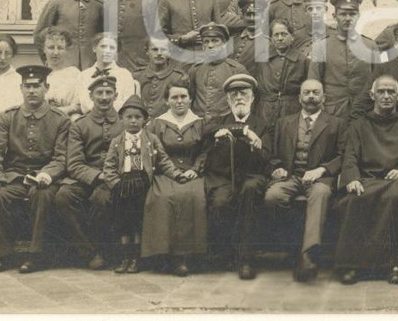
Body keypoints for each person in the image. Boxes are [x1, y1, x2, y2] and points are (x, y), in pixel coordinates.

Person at [334, 75, 398, 285]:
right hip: (368, 180)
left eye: (391, 92)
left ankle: (396, 264)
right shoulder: (359, 126)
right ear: (372, 95)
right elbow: (349, 156)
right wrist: (352, 178)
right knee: (354, 199)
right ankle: (352, 265)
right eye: (381, 91)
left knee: (396, 197)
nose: (386, 96)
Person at [0, 65, 70, 274]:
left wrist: (47, 174)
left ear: (46, 88)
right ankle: (2, 254)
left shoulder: (60, 120)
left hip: (46, 176)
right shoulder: (7, 118)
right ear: (20, 88)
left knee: (42, 194)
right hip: (15, 175)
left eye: (36, 86)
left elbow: (62, 157)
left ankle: (36, 254)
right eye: (27, 86)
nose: (32, 91)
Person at [264, 79, 346, 282]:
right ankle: (295, 246)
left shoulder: (336, 123)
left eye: (316, 93)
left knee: (320, 194)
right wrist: (277, 168)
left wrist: (322, 169)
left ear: (323, 98)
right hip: (292, 176)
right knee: (273, 196)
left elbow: (344, 155)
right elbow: (272, 155)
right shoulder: (284, 123)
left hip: (320, 179)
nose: (311, 96)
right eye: (307, 93)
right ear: (299, 98)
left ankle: (309, 256)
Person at [102, 95, 186, 274]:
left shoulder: (151, 139)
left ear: (145, 120)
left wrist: (176, 174)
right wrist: (115, 184)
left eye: (138, 117)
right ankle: (125, 257)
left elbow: (163, 161)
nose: (133, 121)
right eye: (129, 117)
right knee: (123, 222)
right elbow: (108, 166)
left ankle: (136, 260)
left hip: (142, 185)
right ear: (122, 119)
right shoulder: (117, 141)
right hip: (122, 186)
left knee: (138, 221)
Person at [202, 74, 274, 280]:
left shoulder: (262, 124)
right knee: (221, 201)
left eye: (244, 93)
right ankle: (224, 254)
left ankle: (246, 259)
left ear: (252, 98)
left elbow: (268, 156)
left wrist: (257, 148)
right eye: (234, 94)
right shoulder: (219, 122)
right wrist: (242, 131)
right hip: (224, 177)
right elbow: (206, 132)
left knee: (249, 192)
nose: (239, 97)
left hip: (253, 176)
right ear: (227, 100)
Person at [57, 75, 125, 270]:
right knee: (64, 196)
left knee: (102, 199)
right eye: (99, 93)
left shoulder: (123, 123)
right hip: (86, 177)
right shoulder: (80, 125)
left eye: (108, 93)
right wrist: (96, 176)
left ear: (116, 95)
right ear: (91, 96)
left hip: (114, 178)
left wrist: (110, 176)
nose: (104, 97)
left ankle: (105, 251)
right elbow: (74, 163)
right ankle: (88, 250)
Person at [141, 80, 206, 276]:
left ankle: (184, 257)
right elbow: (156, 153)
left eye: (183, 97)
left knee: (193, 197)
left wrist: (196, 169)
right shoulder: (156, 124)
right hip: (165, 171)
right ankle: (161, 255)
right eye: (174, 97)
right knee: (161, 198)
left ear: (191, 99)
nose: (179, 101)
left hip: (192, 173)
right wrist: (173, 172)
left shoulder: (200, 123)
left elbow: (205, 151)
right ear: (167, 101)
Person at [308, 0, 378, 120]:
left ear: (359, 16)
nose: (348, 18)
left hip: (364, 112)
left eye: (352, 14)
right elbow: (314, 83)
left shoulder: (370, 46)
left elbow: (377, 81)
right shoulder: (321, 46)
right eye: (343, 14)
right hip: (331, 113)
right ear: (334, 16)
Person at [34, 0, 104, 69]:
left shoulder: (97, 6)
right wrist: (49, 61)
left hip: (91, 65)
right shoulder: (56, 4)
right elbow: (40, 36)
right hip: (64, 65)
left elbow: (104, 36)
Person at [253, 19, 309, 123]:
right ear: (271, 38)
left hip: (292, 111)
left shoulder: (302, 61)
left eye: (284, 34)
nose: (280, 38)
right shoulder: (262, 60)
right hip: (265, 111)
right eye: (276, 35)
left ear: (292, 37)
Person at [188, 22, 249, 119]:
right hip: (197, 122)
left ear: (224, 43)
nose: (210, 45)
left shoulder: (236, 70)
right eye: (206, 41)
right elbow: (191, 96)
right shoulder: (196, 69)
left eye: (215, 41)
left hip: (224, 123)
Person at [76, 33, 138, 115]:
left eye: (112, 48)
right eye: (103, 47)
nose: (107, 51)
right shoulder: (84, 75)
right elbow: (84, 104)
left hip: (117, 120)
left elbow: (126, 104)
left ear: (116, 52)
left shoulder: (125, 74)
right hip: (90, 120)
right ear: (94, 48)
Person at [134, 38, 190, 117]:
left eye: (163, 50)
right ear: (147, 51)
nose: (159, 53)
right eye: (155, 49)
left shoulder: (178, 77)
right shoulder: (137, 76)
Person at [42, 26, 83, 117]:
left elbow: (78, 104)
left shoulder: (75, 74)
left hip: (67, 119)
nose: (56, 52)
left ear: (66, 50)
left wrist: (64, 110)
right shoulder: (39, 75)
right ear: (44, 49)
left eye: (60, 48)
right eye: (51, 48)